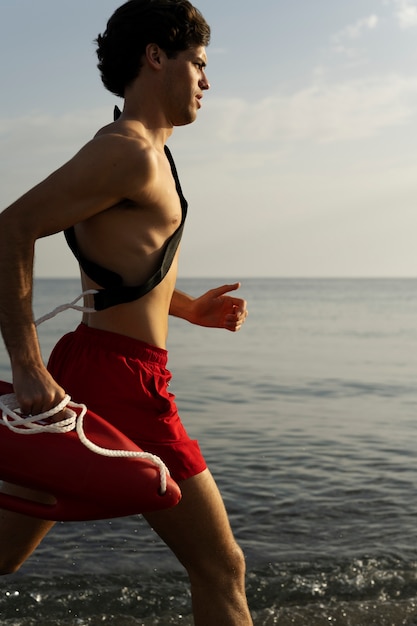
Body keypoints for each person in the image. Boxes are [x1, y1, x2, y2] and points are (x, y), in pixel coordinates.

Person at [0, 0, 252, 624]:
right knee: (222, 568)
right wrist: (26, 365)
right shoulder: (128, 151)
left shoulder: (149, 152)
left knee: (3, 555)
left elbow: (124, 263)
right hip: (123, 380)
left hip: (96, 363)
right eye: (198, 62)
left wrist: (187, 309)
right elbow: (12, 228)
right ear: (155, 57)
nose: (207, 80)